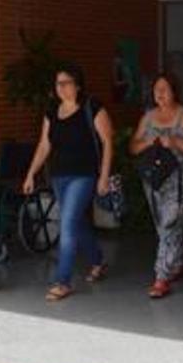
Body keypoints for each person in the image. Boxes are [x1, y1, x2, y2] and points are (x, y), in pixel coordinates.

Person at [22, 63, 113, 301]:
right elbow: (44, 145)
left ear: (78, 84)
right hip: (59, 175)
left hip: (84, 176)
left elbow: (107, 143)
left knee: (67, 223)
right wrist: (31, 173)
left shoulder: (92, 108)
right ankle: (98, 261)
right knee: (76, 222)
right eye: (57, 84)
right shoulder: (52, 111)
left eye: (65, 83)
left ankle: (62, 281)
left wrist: (103, 176)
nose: (60, 88)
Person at [130, 73, 183, 298]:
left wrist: (176, 141)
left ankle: (161, 277)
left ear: (175, 91)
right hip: (154, 180)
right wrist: (146, 142)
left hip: (180, 180)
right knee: (162, 226)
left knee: (169, 225)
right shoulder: (148, 117)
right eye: (156, 90)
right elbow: (133, 147)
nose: (160, 94)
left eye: (165, 89)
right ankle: (177, 262)